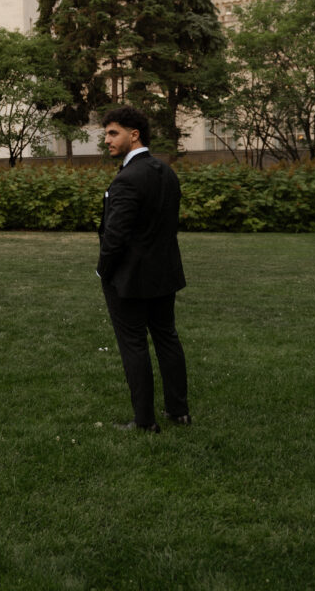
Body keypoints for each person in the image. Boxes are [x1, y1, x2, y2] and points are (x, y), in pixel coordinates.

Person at [97, 106, 191, 433]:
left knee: (134, 345)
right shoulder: (167, 172)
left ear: (134, 134)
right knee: (167, 339)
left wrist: (102, 271)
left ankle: (145, 421)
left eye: (113, 133)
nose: (106, 139)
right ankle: (179, 411)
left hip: (129, 279)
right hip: (164, 273)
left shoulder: (126, 179)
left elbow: (115, 236)